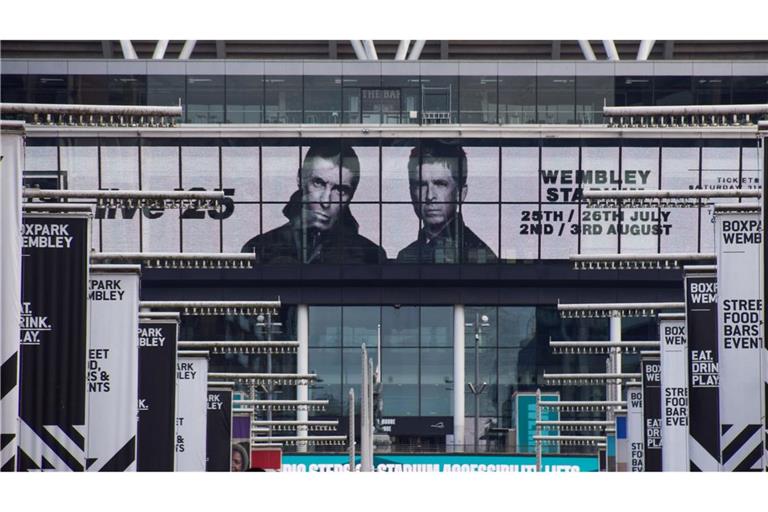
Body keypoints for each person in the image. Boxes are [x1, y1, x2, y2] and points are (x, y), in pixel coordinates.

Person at [241, 143, 385, 264]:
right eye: (318, 183)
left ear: (351, 195)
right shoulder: (259, 248)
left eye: (340, 190)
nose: (325, 200)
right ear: (300, 179)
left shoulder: (370, 255)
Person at [396, 141, 497, 263]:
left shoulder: (479, 255)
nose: (429, 196)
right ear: (411, 192)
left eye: (440, 184)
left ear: (461, 193)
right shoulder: (406, 255)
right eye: (421, 185)